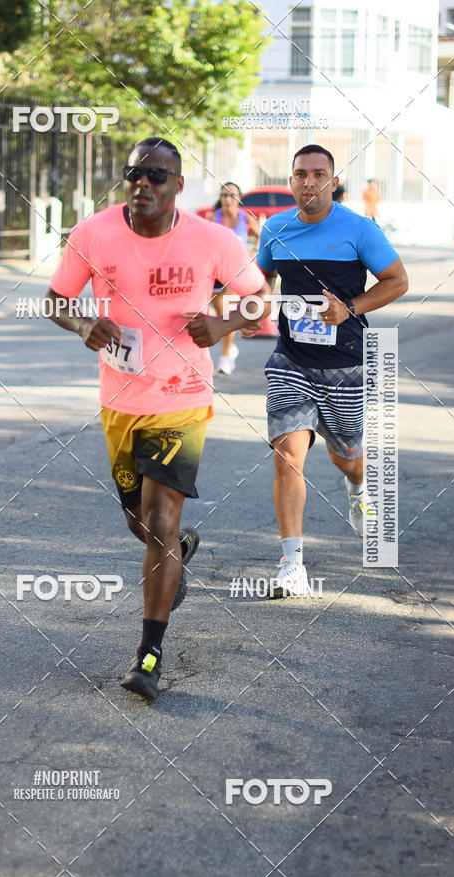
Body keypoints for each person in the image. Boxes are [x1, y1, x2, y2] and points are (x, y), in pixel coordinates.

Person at [46, 137, 267, 700]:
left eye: (156, 177)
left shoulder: (213, 239)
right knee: (142, 525)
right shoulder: (92, 233)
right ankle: (177, 552)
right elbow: (56, 299)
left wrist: (221, 328)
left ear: (177, 187)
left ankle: (149, 654)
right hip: (120, 402)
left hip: (183, 397)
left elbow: (259, 298)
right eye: (133, 174)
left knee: (162, 522)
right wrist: (81, 326)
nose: (142, 184)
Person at [257, 144, 408, 597]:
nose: (310, 182)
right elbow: (262, 280)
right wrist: (254, 313)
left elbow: (398, 281)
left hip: (345, 365)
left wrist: (351, 309)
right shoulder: (275, 228)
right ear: (291, 181)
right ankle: (292, 565)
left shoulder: (359, 229)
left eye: (319, 174)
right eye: (301, 174)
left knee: (346, 456)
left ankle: (359, 488)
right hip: (291, 361)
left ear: (333, 180)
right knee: (288, 454)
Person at [206, 182, 262, 373]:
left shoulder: (245, 219)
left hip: (236, 272)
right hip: (216, 272)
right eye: (224, 195)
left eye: (232, 195)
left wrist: (253, 251)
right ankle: (229, 349)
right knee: (221, 313)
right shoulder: (215, 218)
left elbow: (262, 235)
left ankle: (224, 358)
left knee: (228, 313)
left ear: (239, 199)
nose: (228, 199)